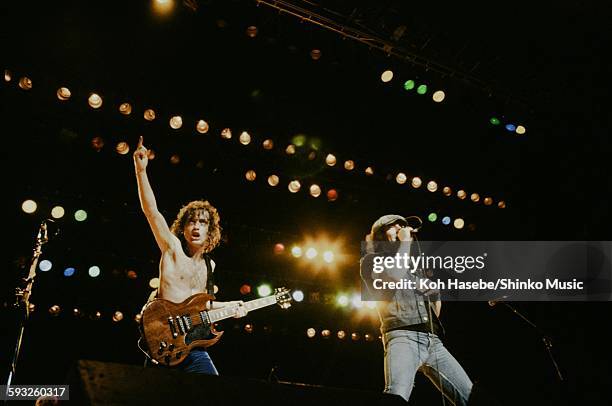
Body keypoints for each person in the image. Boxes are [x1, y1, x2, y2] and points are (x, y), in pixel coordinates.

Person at [134, 136, 247, 375]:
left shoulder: (209, 265)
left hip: (191, 346)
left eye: (202, 223)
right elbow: (151, 212)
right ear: (183, 227)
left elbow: (203, 306)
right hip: (163, 341)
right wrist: (141, 170)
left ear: (210, 231)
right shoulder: (172, 247)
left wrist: (234, 306)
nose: (196, 226)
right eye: (192, 222)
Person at [360, 214, 472, 404]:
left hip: (432, 340)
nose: (401, 229)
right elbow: (394, 275)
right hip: (403, 337)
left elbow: (433, 313)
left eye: (402, 226)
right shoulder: (372, 260)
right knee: (397, 394)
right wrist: (404, 242)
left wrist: (436, 295)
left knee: (469, 394)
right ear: (380, 235)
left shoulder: (413, 270)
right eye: (393, 226)